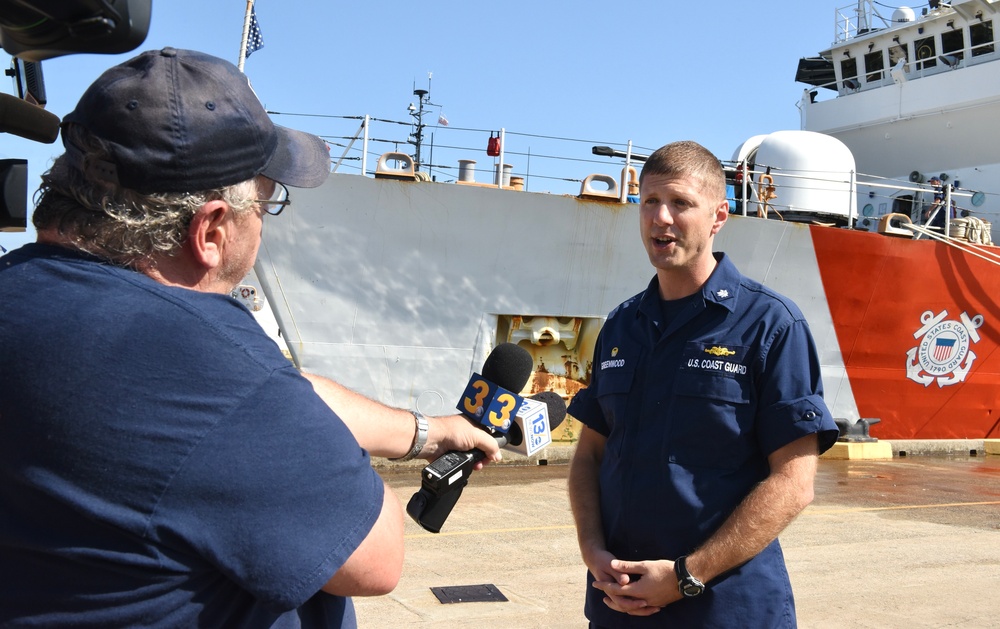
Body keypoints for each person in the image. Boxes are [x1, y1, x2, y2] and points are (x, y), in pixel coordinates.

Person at [0, 48, 499, 627]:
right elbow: (375, 558)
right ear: (210, 230)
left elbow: (278, 395)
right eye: (266, 204)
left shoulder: (22, 294)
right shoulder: (201, 359)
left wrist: (426, 432)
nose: (264, 222)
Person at [567, 141, 839, 628]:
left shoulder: (770, 326)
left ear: (719, 215)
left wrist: (685, 577)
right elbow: (589, 455)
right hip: (619, 608)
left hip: (725, 611)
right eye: (649, 202)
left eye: (680, 203)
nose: (661, 218)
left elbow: (794, 483)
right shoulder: (620, 326)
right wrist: (592, 550)